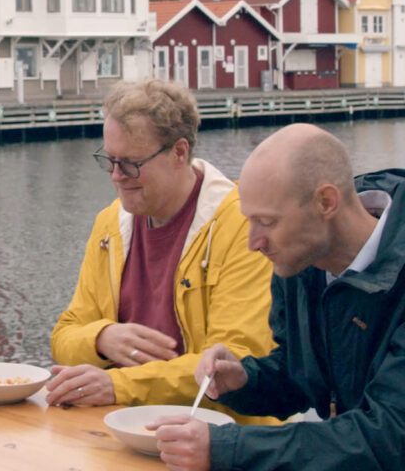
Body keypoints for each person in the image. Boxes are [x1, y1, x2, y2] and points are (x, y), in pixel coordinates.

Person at [152, 123, 405, 470]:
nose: (253, 243)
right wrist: (244, 379)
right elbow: (300, 375)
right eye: (249, 222)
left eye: (266, 222)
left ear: (326, 202)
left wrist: (227, 448)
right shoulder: (303, 256)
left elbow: (389, 436)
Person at [46, 79, 276, 425]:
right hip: (124, 431)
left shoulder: (243, 225)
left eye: (131, 164)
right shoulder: (110, 224)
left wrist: (117, 384)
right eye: (109, 160)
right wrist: (101, 338)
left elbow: (235, 361)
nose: (116, 176)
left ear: (179, 153)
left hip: (223, 441)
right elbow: (64, 333)